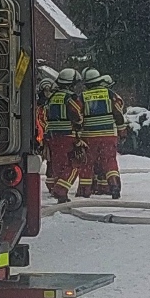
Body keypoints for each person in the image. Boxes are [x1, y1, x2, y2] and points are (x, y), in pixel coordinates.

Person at [78, 65, 122, 200]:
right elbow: (119, 111)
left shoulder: (82, 96)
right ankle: (114, 185)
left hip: (89, 136)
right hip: (108, 135)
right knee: (109, 160)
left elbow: (77, 114)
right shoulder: (110, 94)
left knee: (87, 162)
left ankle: (84, 190)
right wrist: (121, 130)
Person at [44, 67, 83, 204]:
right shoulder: (70, 98)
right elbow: (77, 115)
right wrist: (80, 124)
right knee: (74, 164)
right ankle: (61, 190)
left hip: (52, 136)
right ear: (71, 83)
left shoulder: (52, 97)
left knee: (58, 164)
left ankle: (57, 190)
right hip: (67, 136)